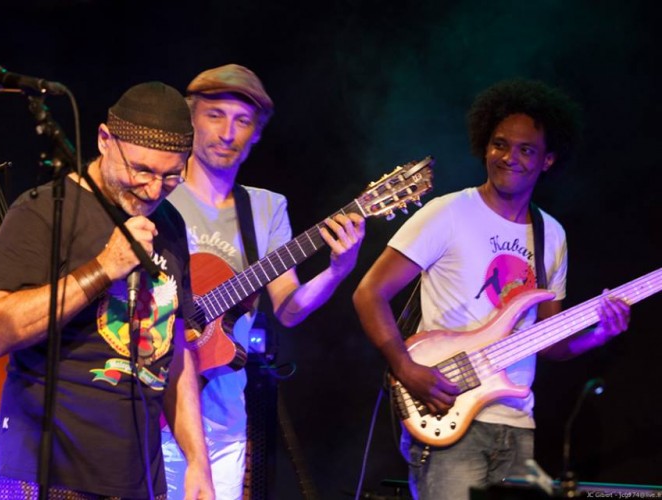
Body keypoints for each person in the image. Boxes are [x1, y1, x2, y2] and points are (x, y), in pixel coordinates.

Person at [352, 79, 632, 500]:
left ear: (547, 160)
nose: (509, 158)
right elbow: (369, 293)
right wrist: (404, 368)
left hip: (516, 424)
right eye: (500, 144)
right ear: (484, 146)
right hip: (449, 412)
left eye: (526, 150)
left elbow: (549, 344)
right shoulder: (448, 213)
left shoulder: (552, 234)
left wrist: (600, 334)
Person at [0, 82, 214, 499]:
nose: (153, 190)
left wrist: (198, 460)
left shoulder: (170, 224)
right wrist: (103, 268)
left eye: (171, 176)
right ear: (105, 140)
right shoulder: (43, 210)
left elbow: (173, 350)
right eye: (141, 170)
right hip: (45, 476)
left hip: (140, 480)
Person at [160, 64, 365, 499]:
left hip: (224, 418)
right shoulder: (160, 195)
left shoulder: (266, 209)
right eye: (215, 115)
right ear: (191, 119)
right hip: (156, 409)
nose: (228, 133)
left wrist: (337, 271)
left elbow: (289, 308)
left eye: (242, 121)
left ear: (256, 133)